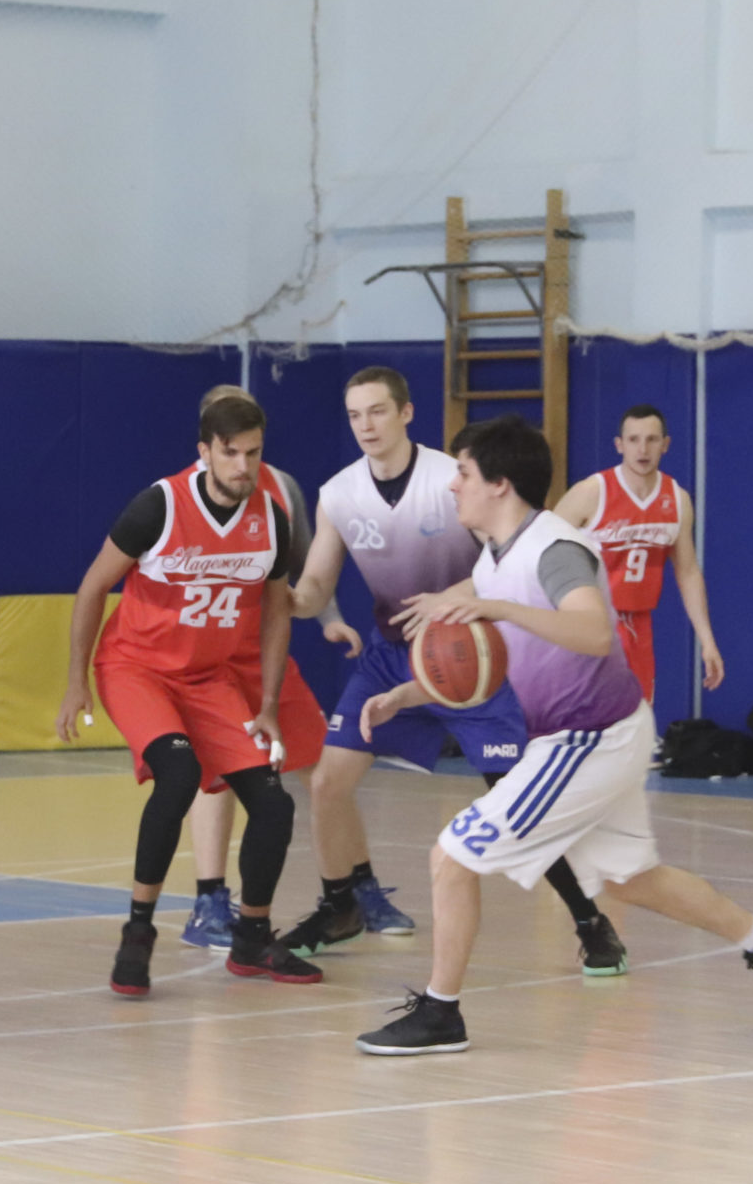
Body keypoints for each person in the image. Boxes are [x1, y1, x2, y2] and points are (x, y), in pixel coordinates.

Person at [351, 415, 753, 1055]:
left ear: (500, 483)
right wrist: (407, 694)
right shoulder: (496, 556)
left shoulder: (554, 549)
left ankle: (441, 1012)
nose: (453, 485)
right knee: (630, 878)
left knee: (452, 857)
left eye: (463, 473)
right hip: (600, 732)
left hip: (588, 737)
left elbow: (594, 633)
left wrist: (498, 608)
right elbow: (487, 664)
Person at [277, 367, 630, 977]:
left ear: (406, 413)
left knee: (511, 796)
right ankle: (341, 907)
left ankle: (589, 921)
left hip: (474, 657)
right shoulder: (339, 493)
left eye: (378, 411)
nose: (366, 425)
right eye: (355, 414)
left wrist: (452, 598)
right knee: (327, 781)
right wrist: (280, 599)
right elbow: (314, 586)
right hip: (393, 656)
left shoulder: (454, 480)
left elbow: (510, 556)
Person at [55, 391, 320, 996]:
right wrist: (75, 681)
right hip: (136, 668)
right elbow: (93, 587)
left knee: (274, 805)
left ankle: (252, 937)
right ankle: (138, 932)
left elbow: (276, 613)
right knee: (178, 775)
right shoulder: (160, 505)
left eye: (253, 453)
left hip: (208, 678)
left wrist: (269, 705)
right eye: (230, 453)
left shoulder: (270, 520)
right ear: (205, 452)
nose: (243, 466)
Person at [178, 385, 342, 950]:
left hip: (265, 652)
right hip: (211, 655)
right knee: (217, 774)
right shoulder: (178, 496)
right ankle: (209, 901)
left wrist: (329, 619)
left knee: (326, 769)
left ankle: (349, 892)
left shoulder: (281, 489)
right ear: (208, 443)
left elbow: (305, 564)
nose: (240, 454)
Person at [553, 404, 722, 704]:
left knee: (637, 716)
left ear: (665, 445)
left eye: (651, 439)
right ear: (619, 445)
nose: (642, 449)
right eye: (633, 440)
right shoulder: (591, 492)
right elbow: (540, 549)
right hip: (590, 619)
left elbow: (687, 572)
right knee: (587, 716)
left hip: (638, 624)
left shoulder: (677, 500)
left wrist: (707, 641)